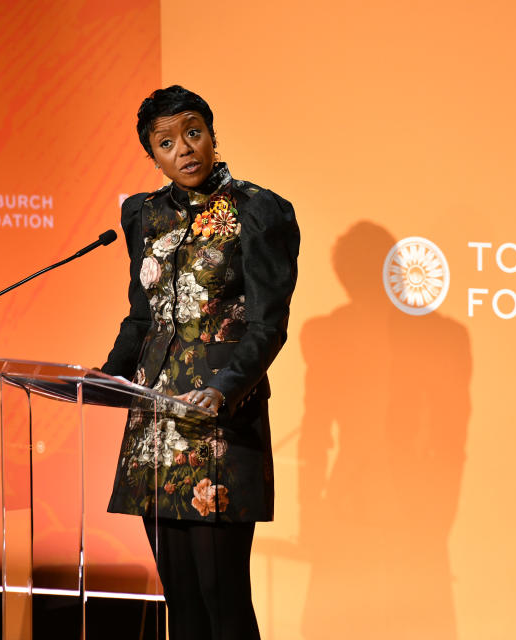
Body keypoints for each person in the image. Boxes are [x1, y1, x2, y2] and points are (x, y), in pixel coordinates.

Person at [101, 85, 300, 639]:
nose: (184, 148)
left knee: (222, 598)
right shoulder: (142, 215)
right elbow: (143, 317)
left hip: (218, 421)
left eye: (194, 132)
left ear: (212, 135)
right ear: (153, 155)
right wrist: (107, 376)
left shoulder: (259, 211)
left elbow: (268, 325)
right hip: (154, 424)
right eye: (167, 142)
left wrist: (226, 388)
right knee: (181, 601)